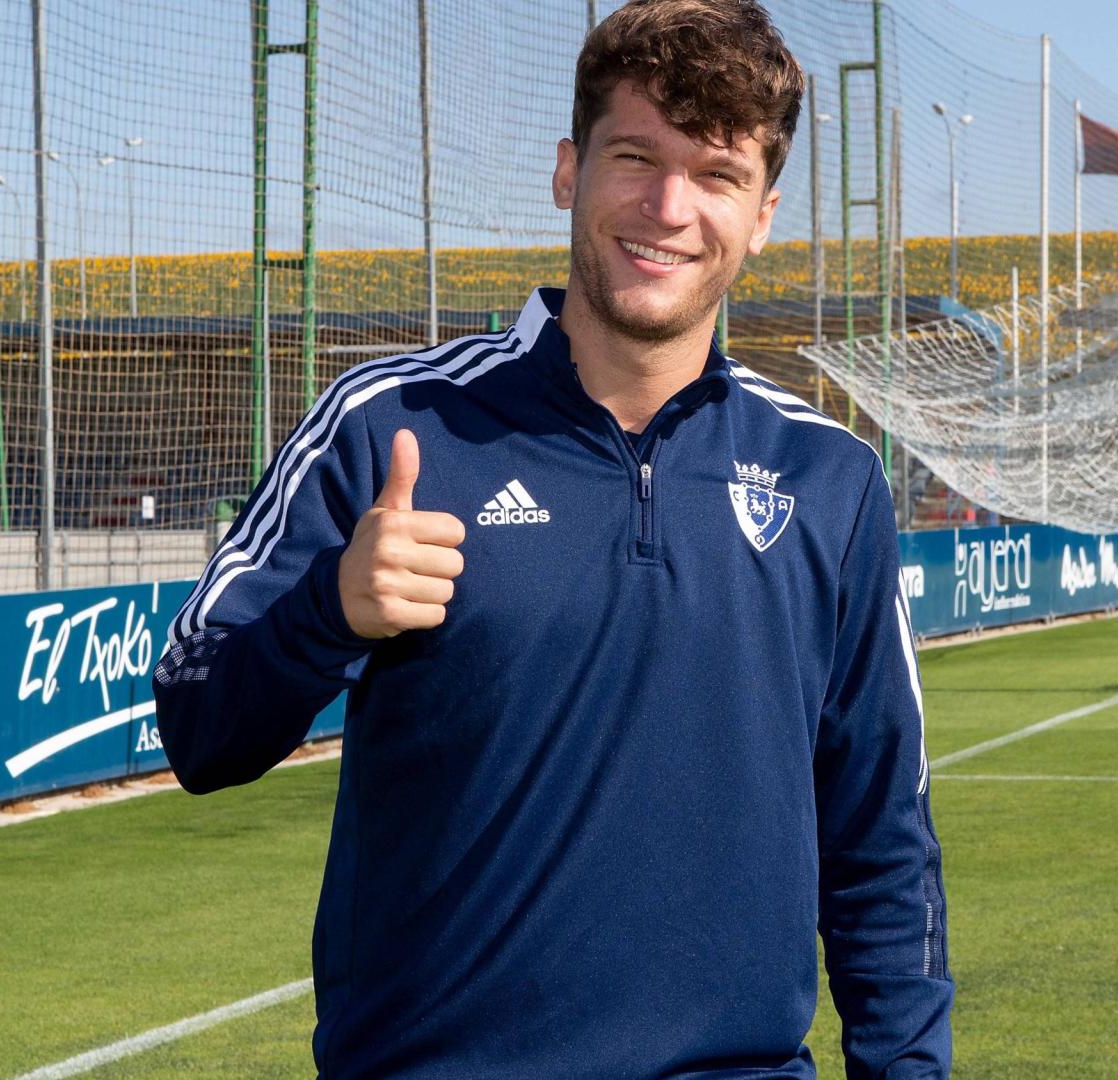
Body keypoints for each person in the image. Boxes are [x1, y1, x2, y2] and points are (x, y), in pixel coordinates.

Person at [153, 0, 953, 1075]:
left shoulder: (829, 478)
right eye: (636, 158)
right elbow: (197, 728)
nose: (668, 207)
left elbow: (880, 839)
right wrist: (325, 612)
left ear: (762, 214)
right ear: (569, 171)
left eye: (716, 175)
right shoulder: (390, 424)